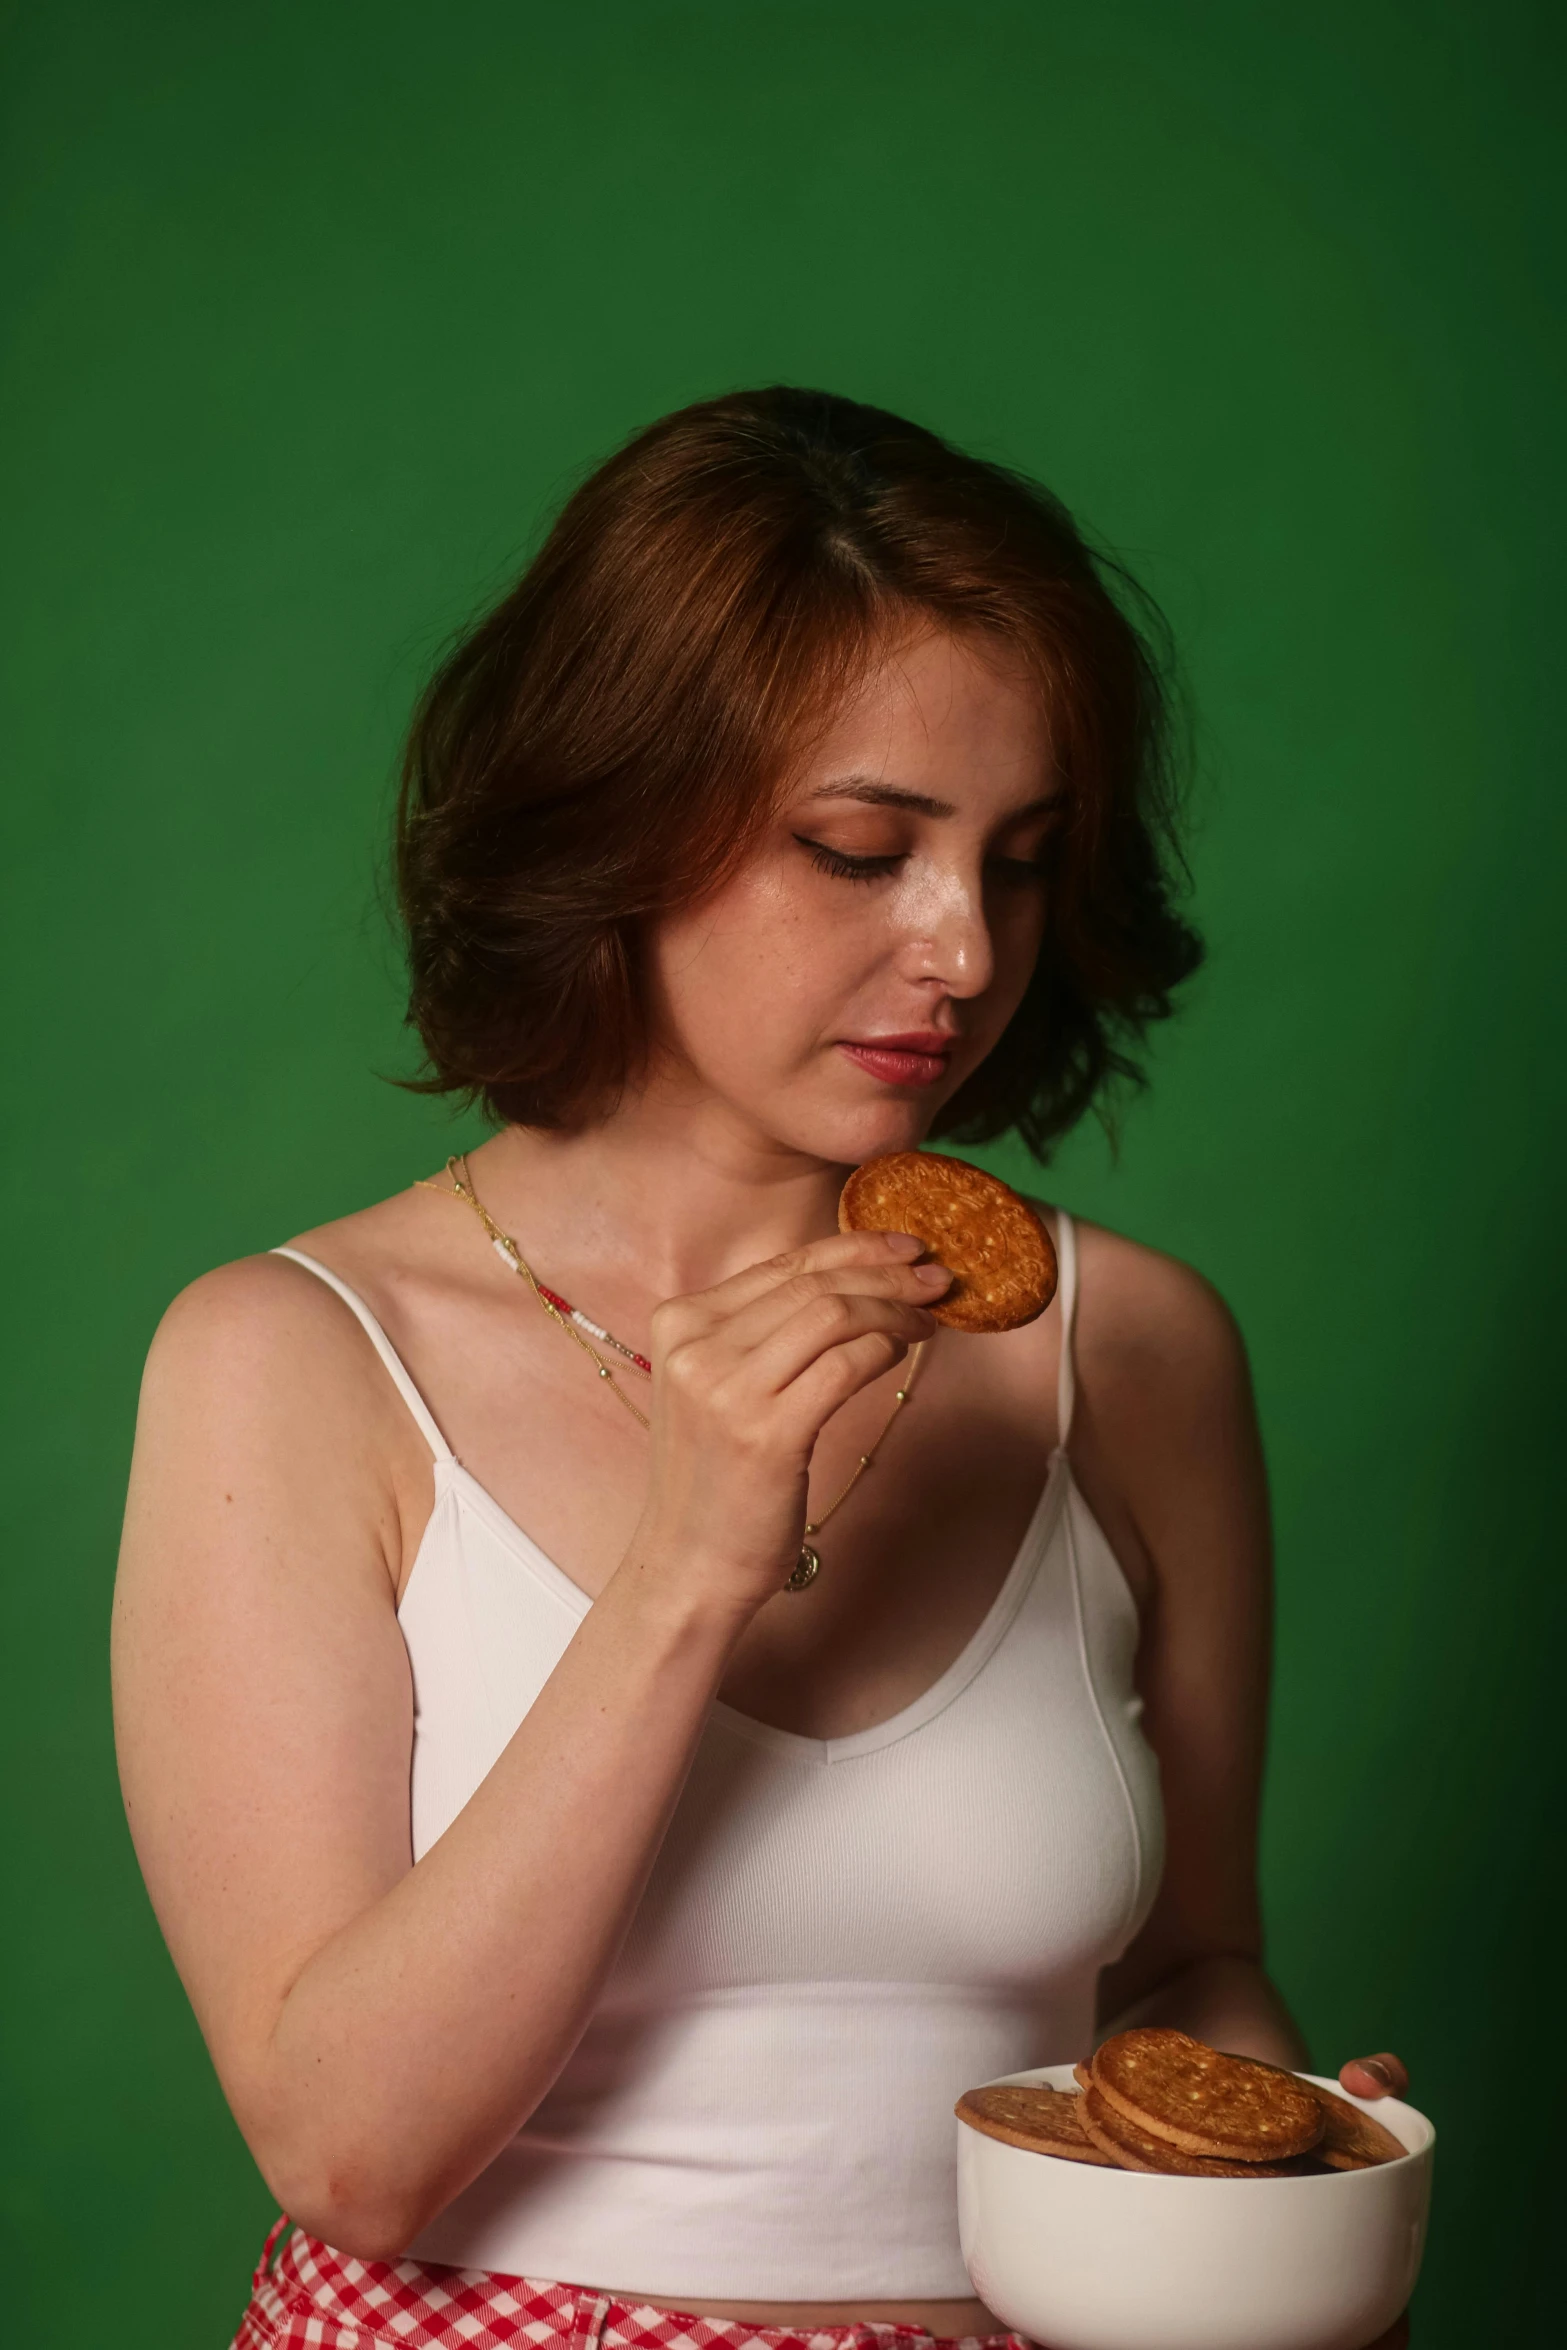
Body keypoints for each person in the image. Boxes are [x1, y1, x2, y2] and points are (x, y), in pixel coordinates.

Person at [112, 388, 1412, 2350]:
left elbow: (1190, 1972)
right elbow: (351, 2151)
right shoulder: (290, 1363)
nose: (965, 948)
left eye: (1024, 859)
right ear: (620, 814)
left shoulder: (1131, 1351)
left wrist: (1287, 2193)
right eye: (859, 848)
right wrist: (686, 1567)